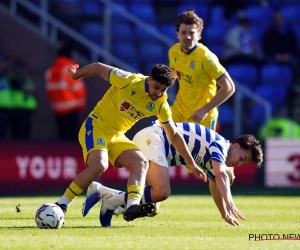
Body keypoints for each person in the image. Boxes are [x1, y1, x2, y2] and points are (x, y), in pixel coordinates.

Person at [54, 62, 207, 226]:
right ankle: (62, 204)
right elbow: (98, 67)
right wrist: (75, 75)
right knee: (99, 165)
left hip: (116, 135)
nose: (158, 93)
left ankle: (132, 205)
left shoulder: (161, 104)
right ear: (149, 79)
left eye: (163, 90)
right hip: (96, 126)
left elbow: (174, 135)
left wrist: (191, 162)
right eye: (156, 87)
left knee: (140, 162)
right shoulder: (128, 80)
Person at [82, 121, 263, 227]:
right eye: (242, 158)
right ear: (236, 146)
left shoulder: (219, 156)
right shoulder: (221, 146)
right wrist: (230, 202)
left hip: (155, 144)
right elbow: (222, 176)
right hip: (153, 138)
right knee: (162, 192)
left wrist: (224, 213)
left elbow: (215, 186)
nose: (238, 164)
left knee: (152, 209)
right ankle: (111, 200)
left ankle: (105, 195)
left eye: (243, 164)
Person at [168, 9, 235, 130]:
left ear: (199, 35)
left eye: (192, 33)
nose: (187, 37)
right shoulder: (173, 52)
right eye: (183, 32)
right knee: (160, 140)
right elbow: (174, 75)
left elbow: (229, 87)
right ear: (177, 34)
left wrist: (204, 110)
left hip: (200, 117)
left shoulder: (206, 58)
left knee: (198, 149)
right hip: (178, 112)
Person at [45, 44, 87, 141]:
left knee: (62, 138)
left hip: (57, 109)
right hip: (72, 109)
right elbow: (78, 89)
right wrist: (81, 105)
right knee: (71, 139)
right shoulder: (69, 70)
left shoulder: (50, 71)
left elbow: (49, 90)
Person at [9, 58, 37, 139]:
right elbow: (24, 88)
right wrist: (29, 89)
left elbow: (34, 90)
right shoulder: (14, 78)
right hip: (17, 109)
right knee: (17, 134)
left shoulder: (26, 79)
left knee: (26, 134)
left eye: (22, 66)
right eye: (18, 66)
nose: (20, 69)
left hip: (27, 110)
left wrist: (30, 89)